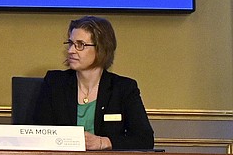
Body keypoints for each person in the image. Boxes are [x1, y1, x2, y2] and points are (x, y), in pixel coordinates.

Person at [33, 16, 154, 150]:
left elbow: (145, 139)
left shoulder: (123, 88)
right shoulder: (55, 83)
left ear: (101, 48)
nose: (71, 50)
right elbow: (39, 134)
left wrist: (103, 142)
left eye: (80, 45)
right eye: (70, 43)